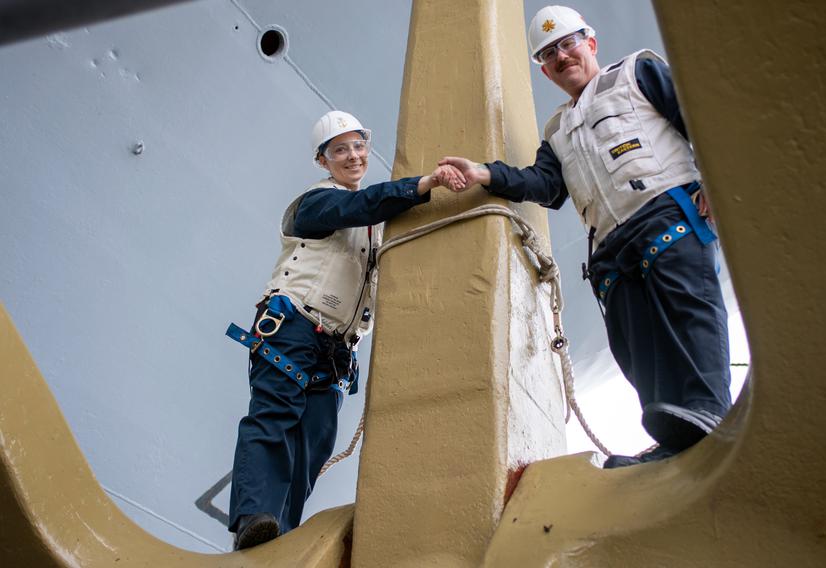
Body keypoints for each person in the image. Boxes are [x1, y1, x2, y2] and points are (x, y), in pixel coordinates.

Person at [438, 6, 731, 468]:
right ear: (544, 69)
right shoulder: (556, 131)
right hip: (612, 248)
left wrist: (717, 177)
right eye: (549, 54)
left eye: (569, 44)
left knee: (690, 316)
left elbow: (693, 115)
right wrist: (484, 174)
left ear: (590, 43)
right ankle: (673, 436)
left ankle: (711, 415)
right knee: (636, 348)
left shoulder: (637, 72)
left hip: (666, 216)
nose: (562, 57)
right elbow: (544, 186)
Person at [226, 110, 465, 549]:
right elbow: (357, 205)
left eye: (358, 146)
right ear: (323, 161)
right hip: (293, 326)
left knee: (313, 446)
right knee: (273, 419)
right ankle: (251, 520)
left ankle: (280, 537)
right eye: (340, 150)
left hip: (335, 354)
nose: (353, 156)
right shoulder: (314, 204)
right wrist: (422, 186)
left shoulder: (375, 232)